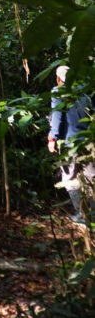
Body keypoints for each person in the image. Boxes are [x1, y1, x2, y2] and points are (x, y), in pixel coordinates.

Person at [48, 64, 94, 225]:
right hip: (87, 141)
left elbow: (57, 115)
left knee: (69, 177)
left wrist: (52, 138)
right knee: (89, 177)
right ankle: (92, 215)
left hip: (69, 143)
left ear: (58, 79)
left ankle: (82, 215)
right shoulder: (83, 92)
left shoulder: (58, 92)